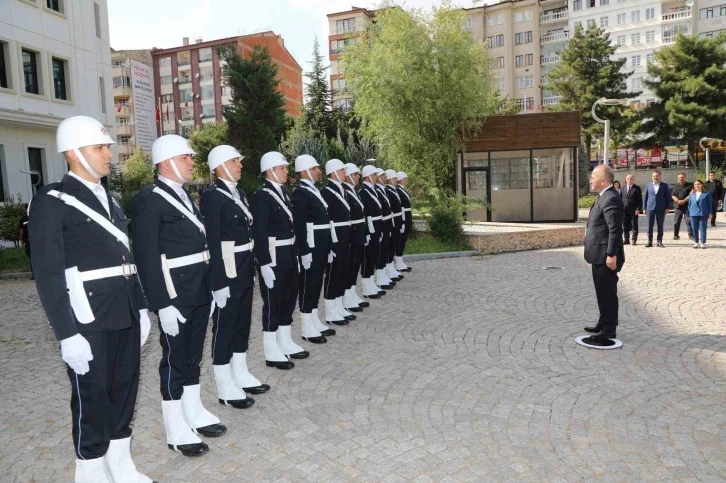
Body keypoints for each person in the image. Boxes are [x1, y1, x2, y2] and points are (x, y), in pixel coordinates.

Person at [29, 116, 154, 482]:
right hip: (89, 318)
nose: (108, 155)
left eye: (108, 147)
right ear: (73, 153)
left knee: (125, 391)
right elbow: (49, 275)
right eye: (100, 147)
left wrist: (142, 305)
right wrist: (66, 334)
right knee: (92, 398)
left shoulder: (111, 199)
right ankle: (90, 469)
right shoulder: (53, 201)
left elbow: (126, 257)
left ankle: (120, 463)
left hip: (126, 311)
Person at [132, 134, 224, 458]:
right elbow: (146, 255)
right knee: (174, 361)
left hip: (198, 288)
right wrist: (161, 304)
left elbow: (202, 246)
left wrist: (211, 286)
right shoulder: (150, 199)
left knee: (192, 358)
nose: (191, 162)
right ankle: (175, 428)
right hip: (176, 293)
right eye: (186, 157)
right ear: (167, 161)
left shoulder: (186, 196)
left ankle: (193, 412)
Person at [200, 145, 268, 412]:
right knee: (225, 326)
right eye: (234, 161)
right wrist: (218, 283)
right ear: (219, 166)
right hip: (227, 270)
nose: (240, 165)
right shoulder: (212, 196)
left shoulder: (237, 193)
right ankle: (224, 384)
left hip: (243, 266)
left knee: (242, 322)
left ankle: (240, 373)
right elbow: (213, 241)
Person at [250, 152, 303, 369]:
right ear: (270, 171)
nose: (287, 171)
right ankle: (271, 350)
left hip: (288, 253)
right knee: (273, 303)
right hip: (273, 257)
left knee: (289, 299)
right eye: (282, 168)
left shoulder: (284, 193)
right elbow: (259, 232)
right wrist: (264, 263)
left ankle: (285, 341)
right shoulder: (263, 196)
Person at [290, 154, 338, 338]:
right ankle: (306, 326)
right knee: (308, 284)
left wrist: (329, 245)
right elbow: (299, 225)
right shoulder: (300, 193)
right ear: (304, 171)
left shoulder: (313, 190)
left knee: (316, 282)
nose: (319, 172)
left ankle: (314, 319)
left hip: (320, 244)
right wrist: (304, 251)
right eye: (315, 168)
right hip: (311, 245)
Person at [583, 165, 625, 343]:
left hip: (605, 256)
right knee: (602, 291)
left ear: (603, 181)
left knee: (607, 292)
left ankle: (609, 329)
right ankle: (603, 322)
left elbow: (615, 230)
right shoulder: (603, 196)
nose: (590, 180)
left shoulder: (611, 198)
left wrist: (611, 254)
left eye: (593, 177)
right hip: (598, 253)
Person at [321, 159, 356, 324]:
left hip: (345, 234)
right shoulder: (326, 192)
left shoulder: (342, 190)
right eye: (342, 170)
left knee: (342, 271)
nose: (345, 174)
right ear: (334, 172)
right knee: (333, 273)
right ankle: (330, 311)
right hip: (335, 236)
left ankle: (339, 305)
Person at [342, 163, 369, 312]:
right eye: (355, 174)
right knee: (349, 266)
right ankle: (347, 297)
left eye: (358, 174)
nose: (358, 177)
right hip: (351, 234)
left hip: (358, 232)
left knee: (355, 266)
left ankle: (352, 294)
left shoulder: (354, 191)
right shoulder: (345, 191)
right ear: (347, 176)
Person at [359, 165, 386, 299]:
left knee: (373, 255)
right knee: (368, 258)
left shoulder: (372, 190)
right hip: (370, 226)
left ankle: (371, 283)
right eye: (374, 174)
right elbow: (365, 213)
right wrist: (368, 232)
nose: (377, 177)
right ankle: (366, 286)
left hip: (376, 225)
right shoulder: (363, 192)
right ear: (368, 176)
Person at [374, 168, 397, 289]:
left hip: (387, 222)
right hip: (381, 224)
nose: (385, 178)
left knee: (386, 249)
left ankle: (383, 275)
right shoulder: (376, 190)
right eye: (382, 176)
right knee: (381, 250)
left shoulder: (382, 190)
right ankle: (380, 277)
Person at [384, 169, 404, 282]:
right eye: (395, 178)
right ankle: (388, 268)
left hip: (396, 219)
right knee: (390, 245)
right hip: (392, 220)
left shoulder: (394, 190)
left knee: (394, 243)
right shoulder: (387, 190)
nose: (397, 180)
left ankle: (391, 267)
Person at [642, 170, 670, 247]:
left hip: (661, 208)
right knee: (649, 225)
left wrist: (667, 207)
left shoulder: (664, 185)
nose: (655, 177)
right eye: (654, 176)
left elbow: (667, 197)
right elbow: (645, 197)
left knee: (660, 225)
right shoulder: (648, 185)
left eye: (657, 176)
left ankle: (659, 241)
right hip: (650, 208)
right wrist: (644, 208)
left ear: (660, 176)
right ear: (652, 177)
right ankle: (649, 241)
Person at [395, 171, 412, 272]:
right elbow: (400, 207)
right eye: (406, 179)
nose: (407, 181)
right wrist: (403, 221)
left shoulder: (403, 190)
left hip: (407, 216)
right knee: (400, 240)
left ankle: (400, 260)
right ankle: (398, 261)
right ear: (401, 180)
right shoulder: (398, 190)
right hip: (403, 217)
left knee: (404, 239)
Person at [688, 180, 712, 249]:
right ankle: (696, 242)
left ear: (701, 185)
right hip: (693, 214)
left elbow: (709, 204)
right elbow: (689, 205)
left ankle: (702, 242)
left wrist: (710, 213)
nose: (697, 186)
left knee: (703, 228)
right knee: (694, 228)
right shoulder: (691, 194)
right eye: (695, 184)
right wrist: (689, 213)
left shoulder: (706, 194)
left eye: (698, 184)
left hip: (703, 213)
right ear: (694, 186)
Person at [670, 172, 693, 240]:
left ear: (685, 178)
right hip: (678, 206)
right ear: (678, 179)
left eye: (682, 177)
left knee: (688, 221)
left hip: (687, 206)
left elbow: (691, 194)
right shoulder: (675, 186)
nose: (681, 179)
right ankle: (676, 235)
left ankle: (691, 235)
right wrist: (677, 201)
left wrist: (684, 201)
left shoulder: (690, 185)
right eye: (680, 178)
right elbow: (673, 195)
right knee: (676, 221)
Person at [620, 174, 642, 245]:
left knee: (634, 225)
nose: (629, 180)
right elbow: (620, 199)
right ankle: (626, 239)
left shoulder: (637, 188)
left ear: (633, 179)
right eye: (628, 179)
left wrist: (638, 209)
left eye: (631, 179)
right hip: (624, 210)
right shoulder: (622, 188)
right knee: (625, 225)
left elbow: (640, 200)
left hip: (634, 210)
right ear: (626, 180)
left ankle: (634, 239)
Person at [17, 205, 33, 279]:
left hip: (37, 240)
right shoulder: (23, 219)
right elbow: (21, 232)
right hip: (28, 241)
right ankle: (34, 274)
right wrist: (22, 243)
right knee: (31, 258)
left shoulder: (36, 217)